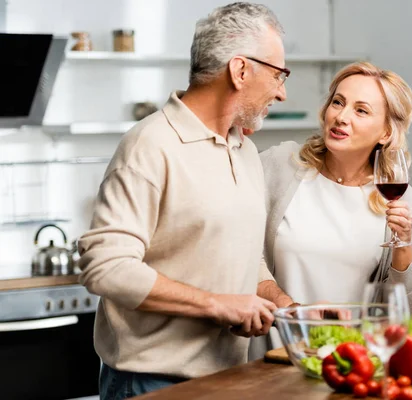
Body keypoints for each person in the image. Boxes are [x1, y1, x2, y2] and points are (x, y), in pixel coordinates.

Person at [77, 3, 296, 398]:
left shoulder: (243, 149)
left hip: (228, 377)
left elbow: (243, 253)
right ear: (240, 70)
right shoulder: (149, 146)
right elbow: (105, 267)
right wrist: (218, 305)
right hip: (150, 382)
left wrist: (281, 304)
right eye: (278, 75)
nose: (281, 92)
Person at [261, 61, 412, 312]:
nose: (341, 117)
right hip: (279, 345)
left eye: (361, 111)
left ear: (386, 133)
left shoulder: (401, 201)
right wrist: (290, 308)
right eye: (338, 102)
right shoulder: (280, 164)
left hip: (352, 348)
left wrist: (403, 245)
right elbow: (243, 256)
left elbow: (405, 309)